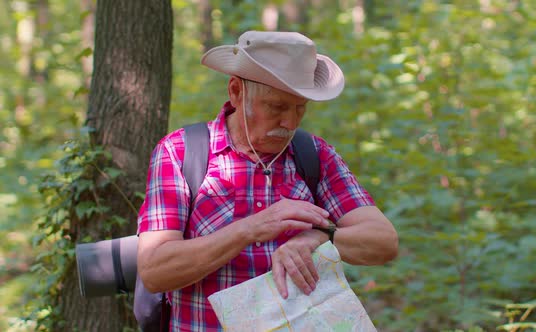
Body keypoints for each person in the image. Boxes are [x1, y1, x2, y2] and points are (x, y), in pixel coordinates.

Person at [137, 30, 398, 331]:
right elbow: (155, 270)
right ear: (236, 92)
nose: (290, 122)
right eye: (276, 107)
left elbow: (383, 241)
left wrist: (321, 237)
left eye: (300, 108)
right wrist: (250, 229)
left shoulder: (314, 156)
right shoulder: (182, 153)